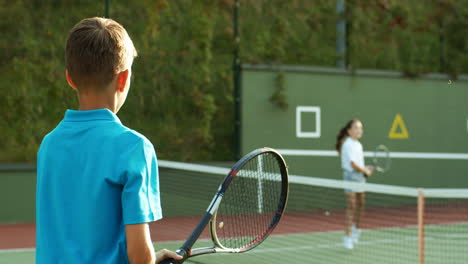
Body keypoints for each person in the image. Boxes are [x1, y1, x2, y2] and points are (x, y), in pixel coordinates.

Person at [36, 17, 183, 264]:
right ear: (123, 78)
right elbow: (138, 256)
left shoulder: (49, 146)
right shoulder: (135, 148)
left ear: (70, 78)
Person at [335, 119, 374, 250]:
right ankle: (347, 237)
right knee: (351, 206)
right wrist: (365, 171)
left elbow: (359, 164)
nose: (359, 130)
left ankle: (356, 229)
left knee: (361, 205)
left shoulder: (359, 145)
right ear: (349, 131)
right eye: (356, 128)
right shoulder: (348, 144)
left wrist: (365, 168)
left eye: (360, 128)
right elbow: (352, 164)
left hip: (359, 177)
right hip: (350, 176)